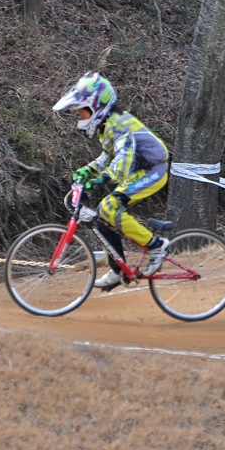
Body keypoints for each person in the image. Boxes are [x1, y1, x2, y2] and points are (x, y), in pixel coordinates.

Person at [52, 71, 170, 289]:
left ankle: (156, 245)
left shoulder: (118, 124)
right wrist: (87, 171)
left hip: (154, 170)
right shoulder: (106, 125)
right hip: (141, 171)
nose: (82, 117)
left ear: (97, 105)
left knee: (109, 207)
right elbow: (107, 156)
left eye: (83, 112)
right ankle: (117, 269)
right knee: (103, 215)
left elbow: (123, 159)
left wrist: (102, 179)